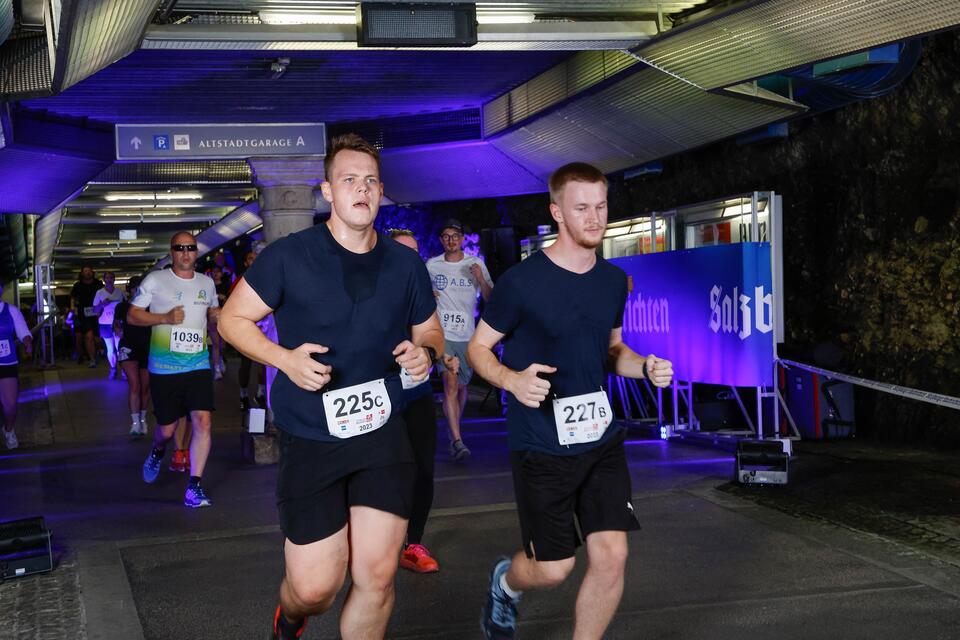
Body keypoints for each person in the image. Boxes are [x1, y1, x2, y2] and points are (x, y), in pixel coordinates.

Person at [218, 133, 444, 640]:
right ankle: (291, 616)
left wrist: (424, 352)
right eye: (349, 180)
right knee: (316, 588)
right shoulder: (289, 256)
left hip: (383, 432)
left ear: (381, 191)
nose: (361, 190)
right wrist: (283, 361)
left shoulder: (404, 263)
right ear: (327, 191)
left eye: (369, 181)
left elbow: (430, 330)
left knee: (378, 577)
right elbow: (232, 321)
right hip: (312, 436)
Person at [467, 162, 674, 640]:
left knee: (613, 556)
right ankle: (506, 582)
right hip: (541, 441)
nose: (595, 218)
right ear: (556, 211)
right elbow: (479, 349)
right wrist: (512, 380)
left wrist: (643, 365)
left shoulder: (612, 281)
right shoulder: (521, 283)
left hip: (600, 438)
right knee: (554, 567)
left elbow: (613, 350)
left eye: (601, 206)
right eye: (582, 208)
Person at [128, 232, 220, 508]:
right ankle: (157, 450)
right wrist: (164, 318)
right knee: (167, 431)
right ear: (171, 252)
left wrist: (218, 321)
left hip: (197, 364)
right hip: (165, 368)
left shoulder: (207, 283)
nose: (185, 253)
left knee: (203, 421)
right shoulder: (157, 280)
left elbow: (213, 314)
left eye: (190, 248)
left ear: (196, 252)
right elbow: (132, 314)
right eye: (179, 248)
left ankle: (194, 487)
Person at [390, 229, 460, 574]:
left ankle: (413, 542)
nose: (411, 259)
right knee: (381, 472)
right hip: (379, 400)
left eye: (415, 253)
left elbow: (433, 334)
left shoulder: (422, 295)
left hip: (415, 394)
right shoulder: (373, 290)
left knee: (422, 469)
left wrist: (441, 356)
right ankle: (374, 542)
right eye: (403, 252)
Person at [426, 218, 493, 461]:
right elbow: (419, 293)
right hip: (443, 335)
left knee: (462, 387)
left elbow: (490, 297)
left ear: (462, 238)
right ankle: (457, 440)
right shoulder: (432, 265)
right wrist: (427, 293)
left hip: (468, 335)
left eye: (455, 236)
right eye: (446, 236)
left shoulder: (475, 263)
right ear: (441, 240)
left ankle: (454, 424)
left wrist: (481, 279)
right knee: (450, 386)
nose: (451, 240)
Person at [114, 276, 152, 437]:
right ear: (130, 290)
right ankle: (135, 423)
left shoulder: (151, 307)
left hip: (148, 347)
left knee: (145, 386)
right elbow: (115, 323)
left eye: (141, 289)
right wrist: (117, 329)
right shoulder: (122, 307)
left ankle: (143, 419)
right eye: (135, 288)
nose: (138, 292)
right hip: (128, 347)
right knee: (134, 385)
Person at [232, 248, 267, 410]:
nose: (254, 261)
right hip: (245, 327)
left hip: (264, 327)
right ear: (246, 263)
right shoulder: (240, 281)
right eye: (250, 259)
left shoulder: (267, 278)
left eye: (256, 258)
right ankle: (243, 393)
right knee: (246, 363)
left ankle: (260, 393)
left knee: (264, 362)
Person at [0, 282, 33, 449]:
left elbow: (23, 331)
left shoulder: (11, 310)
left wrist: (27, 341)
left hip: (7, 362)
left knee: (10, 406)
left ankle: (9, 429)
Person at [93, 271, 125, 379]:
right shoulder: (99, 293)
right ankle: (113, 369)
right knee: (110, 348)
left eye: (111, 277)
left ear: (114, 279)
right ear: (104, 280)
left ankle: (124, 370)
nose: (109, 279)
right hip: (105, 323)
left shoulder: (119, 292)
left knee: (119, 347)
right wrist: (102, 304)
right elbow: (94, 309)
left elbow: (125, 305)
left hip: (118, 323)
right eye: (107, 278)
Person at [70, 265, 104, 368]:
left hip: (98, 312)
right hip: (84, 313)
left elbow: (104, 296)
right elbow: (72, 297)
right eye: (85, 271)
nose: (88, 273)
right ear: (82, 273)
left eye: (89, 271)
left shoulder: (98, 284)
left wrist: (101, 307)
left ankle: (99, 349)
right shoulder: (77, 285)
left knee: (97, 339)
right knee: (88, 336)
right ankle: (92, 360)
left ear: (92, 272)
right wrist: (72, 307)